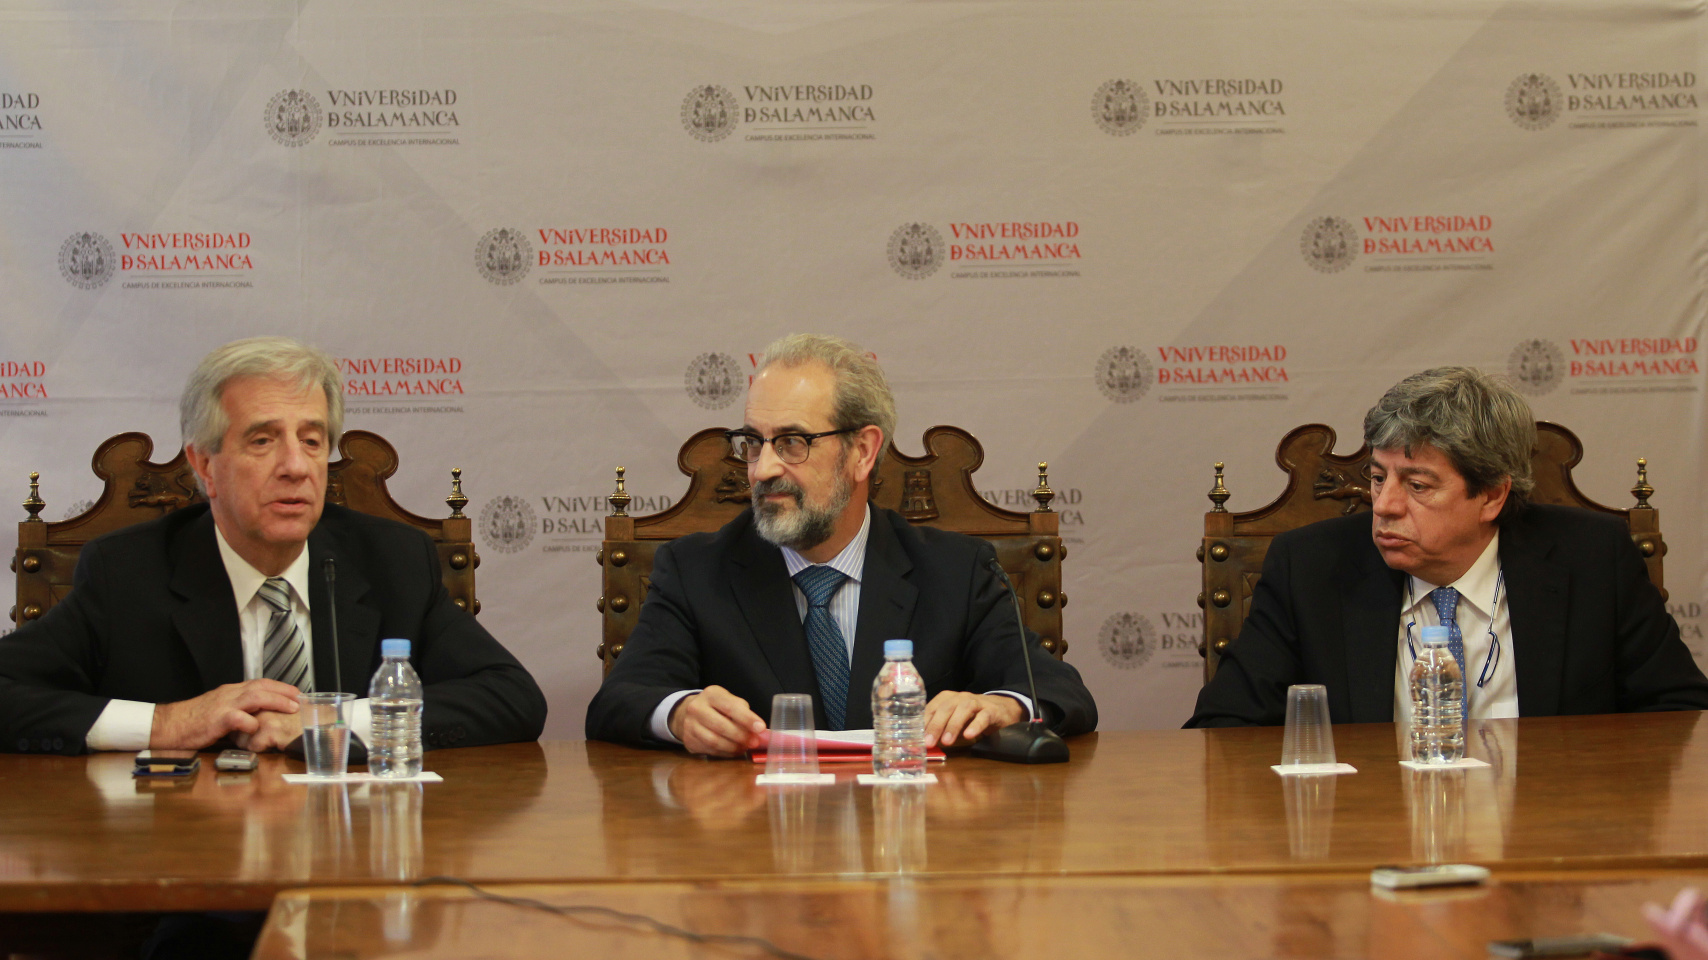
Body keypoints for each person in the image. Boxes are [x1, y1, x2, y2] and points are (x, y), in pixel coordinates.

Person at [0, 336, 547, 755]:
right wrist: (167, 722)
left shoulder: (393, 561)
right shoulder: (127, 572)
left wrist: (331, 721)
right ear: (204, 464)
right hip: (190, 850)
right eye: (262, 440)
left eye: (311, 441)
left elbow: (511, 697)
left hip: (354, 849)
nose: (295, 467)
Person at [586, 333, 1097, 756]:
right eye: (754, 442)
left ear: (862, 452)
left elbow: (1060, 691)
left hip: (915, 832)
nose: (762, 469)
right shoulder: (697, 569)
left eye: (792, 442)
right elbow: (620, 700)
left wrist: (1003, 707)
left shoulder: (956, 571)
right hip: (758, 834)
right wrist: (679, 714)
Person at [1188, 366, 1708, 728]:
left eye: (1417, 485)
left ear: (1492, 495)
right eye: (1377, 478)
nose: (1385, 505)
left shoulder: (1592, 559)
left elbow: (1681, 713)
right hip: (1368, 830)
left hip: (1548, 828)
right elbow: (1223, 728)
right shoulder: (1310, 567)